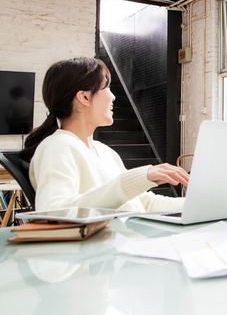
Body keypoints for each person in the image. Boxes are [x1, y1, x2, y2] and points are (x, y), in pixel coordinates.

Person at [22, 57, 189, 212]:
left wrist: (205, 203)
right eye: (107, 87)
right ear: (85, 97)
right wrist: (135, 179)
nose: (113, 96)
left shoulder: (105, 152)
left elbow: (146, 204)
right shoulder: (57, 146)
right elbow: (54, 211)